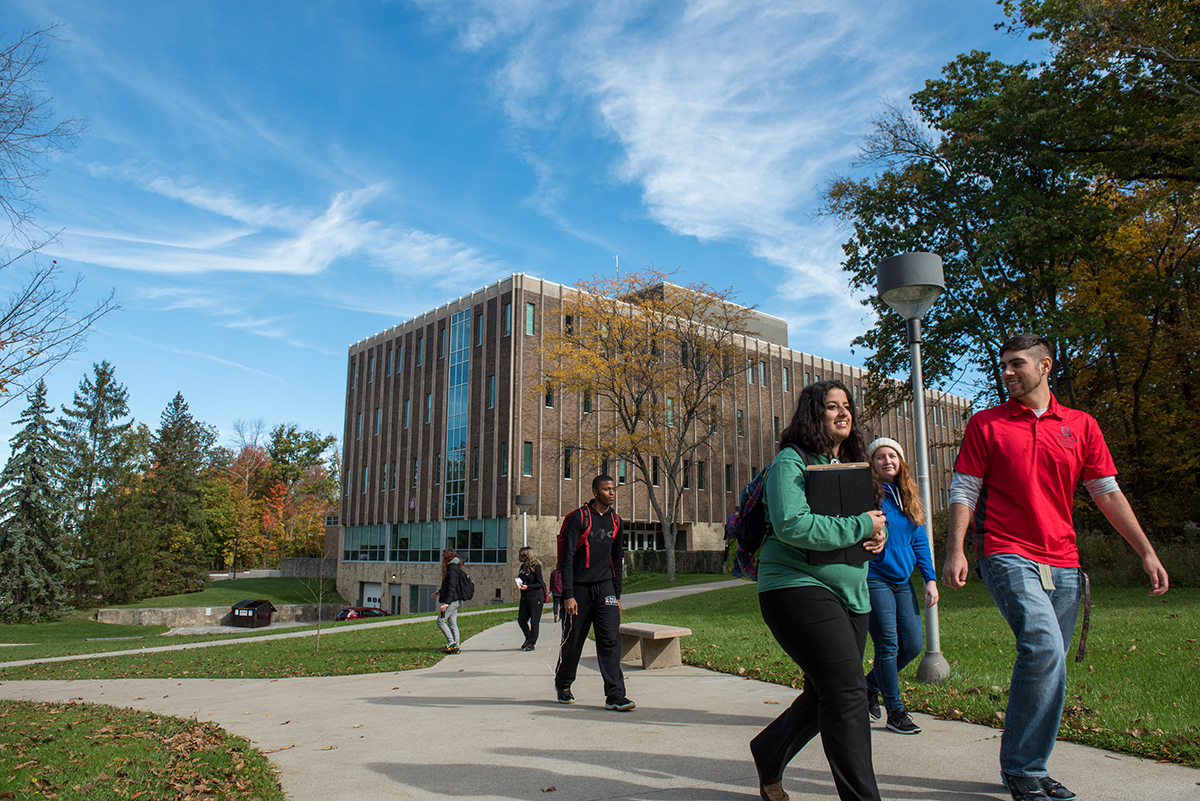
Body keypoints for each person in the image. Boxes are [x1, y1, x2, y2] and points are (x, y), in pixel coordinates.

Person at [943, 333, 1169, 801]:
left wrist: (1146, 551)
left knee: (1051, 664)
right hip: (1005, 550)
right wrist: (956, 549)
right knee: (1043, 647)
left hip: (1063, 560)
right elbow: (965, 489)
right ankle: (1023, 769)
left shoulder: (1081, 425)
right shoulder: (987, 424)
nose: (1006, 372)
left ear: (1045, 366)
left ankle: (1031, 764)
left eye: (1016, 365)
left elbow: (1106, 493)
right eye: (1002, 365)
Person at [750, 380, 888, 801]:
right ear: (814, 414)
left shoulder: (852, 463)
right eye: (832, 407)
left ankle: (768, 750)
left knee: (824, 692)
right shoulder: (790, 462)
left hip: (852, 593)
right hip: (795, 585)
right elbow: (793, 524)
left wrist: (876, 537)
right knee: (848, 692)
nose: (844, 413)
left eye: (847, 406)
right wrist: (863, 525)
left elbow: (869, 522)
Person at [863, 437, 938, 736]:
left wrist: (929, 578)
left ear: (901, 461)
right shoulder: (867, 494)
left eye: (892, 455)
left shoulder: (907, 496)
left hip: (902, 580)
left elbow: (919, 539)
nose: (887, 461)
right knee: (888, 645)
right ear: (872, 463)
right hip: (874, 577)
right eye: (880, 457)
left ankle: (869, 686)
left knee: (912, 645)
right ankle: (895, 711)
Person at [554, 474, 633, 711]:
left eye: (613, 489)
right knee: (573, 641)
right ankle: (564, 684)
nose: (611, 493)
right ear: (594, 491)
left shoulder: (616, 521)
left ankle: (615, 695)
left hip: (605, 588)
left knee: (610, 640)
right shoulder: (579, 518)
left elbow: (616, 560)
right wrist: (568, 594)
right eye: (607, 489)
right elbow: (566, 558)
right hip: (579, 589)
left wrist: (617, 595)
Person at [435, 548, 466, 654]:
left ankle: (451, 642)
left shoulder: (452, 568)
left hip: (452, 601)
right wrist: (440, 592)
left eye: (443, 556)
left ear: (447, 557)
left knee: (440, 621)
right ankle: (456, 646)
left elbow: (452, 586)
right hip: (455, 600)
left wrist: (446, 604)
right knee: (452, 624)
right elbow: (450, 585)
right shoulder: (455, 567)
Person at [516, 546, 546, 650]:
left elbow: (540, 583)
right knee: (521, 620)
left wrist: (528, 587)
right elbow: (521, 577)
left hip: (535, 597)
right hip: (525, 597)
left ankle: (532, 643)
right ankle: (528, 638)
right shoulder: (522, 567)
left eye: (522, 555)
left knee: (534, 621)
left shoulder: (536, 567)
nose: (520, 558)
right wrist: (519, 583)